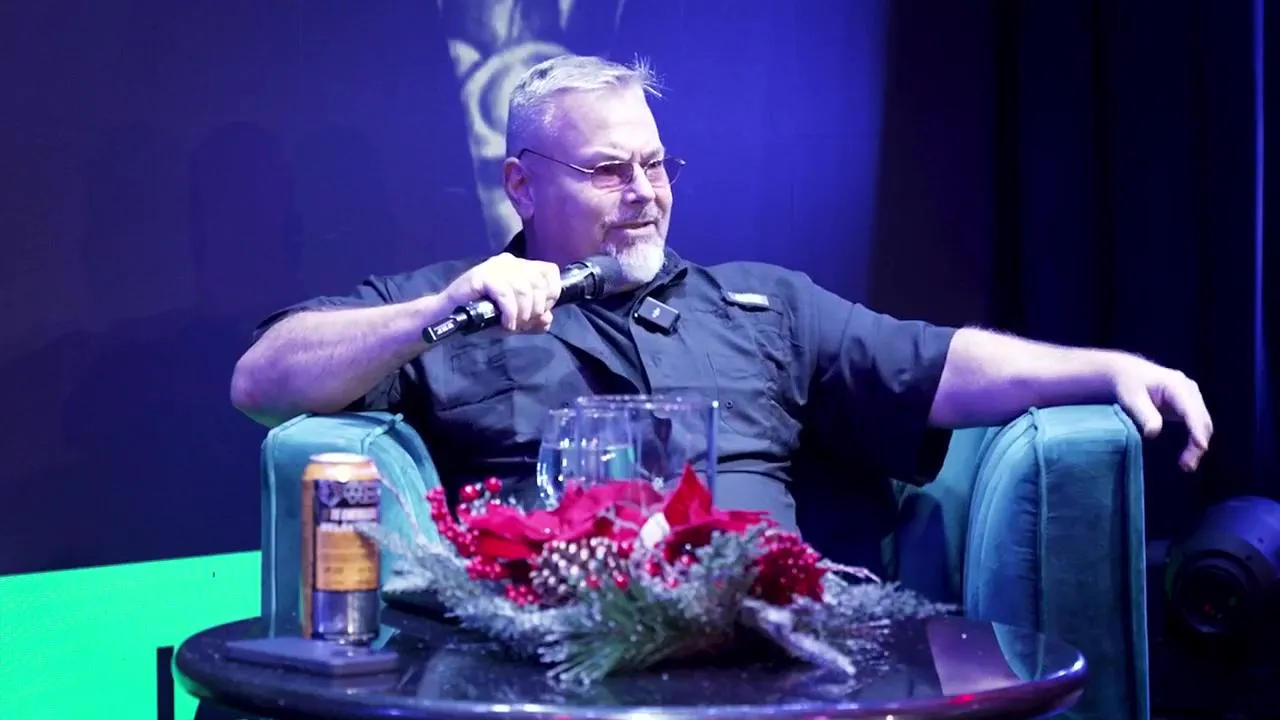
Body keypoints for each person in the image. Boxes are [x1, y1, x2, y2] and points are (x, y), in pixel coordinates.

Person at [231, 54, 1212, 542]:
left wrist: (1111, 367)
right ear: (521, 186)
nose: (644, 193)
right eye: (608, 170)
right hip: (549, 659)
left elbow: (938, 364)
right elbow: (262, 381)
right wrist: (436, 314)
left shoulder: (764, 306)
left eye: (655, 164)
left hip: (762, 648)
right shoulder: (455, 309)